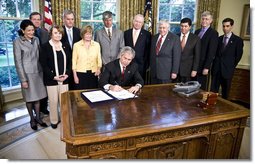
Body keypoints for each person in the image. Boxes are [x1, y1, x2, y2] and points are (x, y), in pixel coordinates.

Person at [13, 19, 48, 130]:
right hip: (27, 74)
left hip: (38, 72)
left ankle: (38, 118)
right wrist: (23, 79)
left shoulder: (36, 40)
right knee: (29, 99)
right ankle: (32, 119)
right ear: (23, 31)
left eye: (32, 30)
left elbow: (40, 56)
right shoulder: (17, 42)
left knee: (37, 97)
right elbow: (18, 62)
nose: (31, 32)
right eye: (28, 30)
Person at [40, 25, 72, 129]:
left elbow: (70, 63)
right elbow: (44, 65)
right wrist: (54, 77)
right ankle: (54, 120)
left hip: (65, 79)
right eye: (55, 33)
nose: (58, 35)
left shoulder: (66, 46)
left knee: (64, 102)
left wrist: (67, 74)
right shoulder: (45, 47)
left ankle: (64, 119)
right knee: (53, 101)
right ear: (51, 34)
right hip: (51, 80)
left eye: (60, 33)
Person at [210, 18, 244, 99]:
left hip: (227, 70)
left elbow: (238, 56)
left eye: (227, 26)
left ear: (231, 26)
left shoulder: (238, 40)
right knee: (213, 92)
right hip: (216, 69)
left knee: (225, 93)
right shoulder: (219, 39)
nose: (225, 28)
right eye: (224, 26)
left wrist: (230, 66)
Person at [29, 11, 50, 115]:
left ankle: (44, 107)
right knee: (33, 89)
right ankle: (34, 110)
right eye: (34, 19)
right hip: (32, 66)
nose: (37, 21)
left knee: (44, 87)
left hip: (44, 65)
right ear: (30, 20)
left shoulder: (45, 33)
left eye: (38, 19)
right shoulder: (26, 34)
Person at [150, 20, 181, 84]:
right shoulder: (154, 37)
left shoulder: (174, 38)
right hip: (154, 71)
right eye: (160, 27)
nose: (162, 30)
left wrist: (174, 72)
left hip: (166, 73)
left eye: (164, 28)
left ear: (168, 28)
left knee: (164, 93)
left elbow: (176, 57)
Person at [72, 25, 102, 90]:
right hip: (80, 73)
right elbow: (74, 61)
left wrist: (99, 69)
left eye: (90, 34)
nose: (89, 36)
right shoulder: (76, 45)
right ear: (82, 34)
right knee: (81, 94)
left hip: (93, 74)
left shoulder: (96, 45)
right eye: (87, 34)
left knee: (92, 93)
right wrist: (75, 76)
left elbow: (99, 59)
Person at [195, 11, 218, 90]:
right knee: (192, 87)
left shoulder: (213, 33)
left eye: (207, 19)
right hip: (194, 64)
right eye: (203, 19)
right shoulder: (197, 31)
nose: (204, 21)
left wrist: (207, 67)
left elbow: (212, 52)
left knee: (200, 88)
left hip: (203, 65)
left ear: (211, 21)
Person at [124, 14, 151, 81]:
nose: (137, 23)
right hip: (127, 64)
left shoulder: (147, 34)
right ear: (133, 21)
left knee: (139, 85)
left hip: (141, 66)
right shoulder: (126, 33)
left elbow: (148, 51)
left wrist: (146, 65)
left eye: (140, 22)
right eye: (136, 21)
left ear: (142, 24)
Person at [60, 9, 81, 90]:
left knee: (75, 87)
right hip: (64, 63)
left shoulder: (78, 31)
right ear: (64, 19)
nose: (70, 21)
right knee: (65, 88)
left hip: (77, 64)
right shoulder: (59, 31)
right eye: (68, 19)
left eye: (72, 19)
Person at [177, 18, 201, 83]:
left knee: (186, 90)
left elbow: (197, 56)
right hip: (176, 70)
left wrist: (194, 69)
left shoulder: (195, 39)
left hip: (188, 70)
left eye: (185, 26)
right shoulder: (175, 36)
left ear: (190, 27)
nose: (183, 28)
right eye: (182, 26)